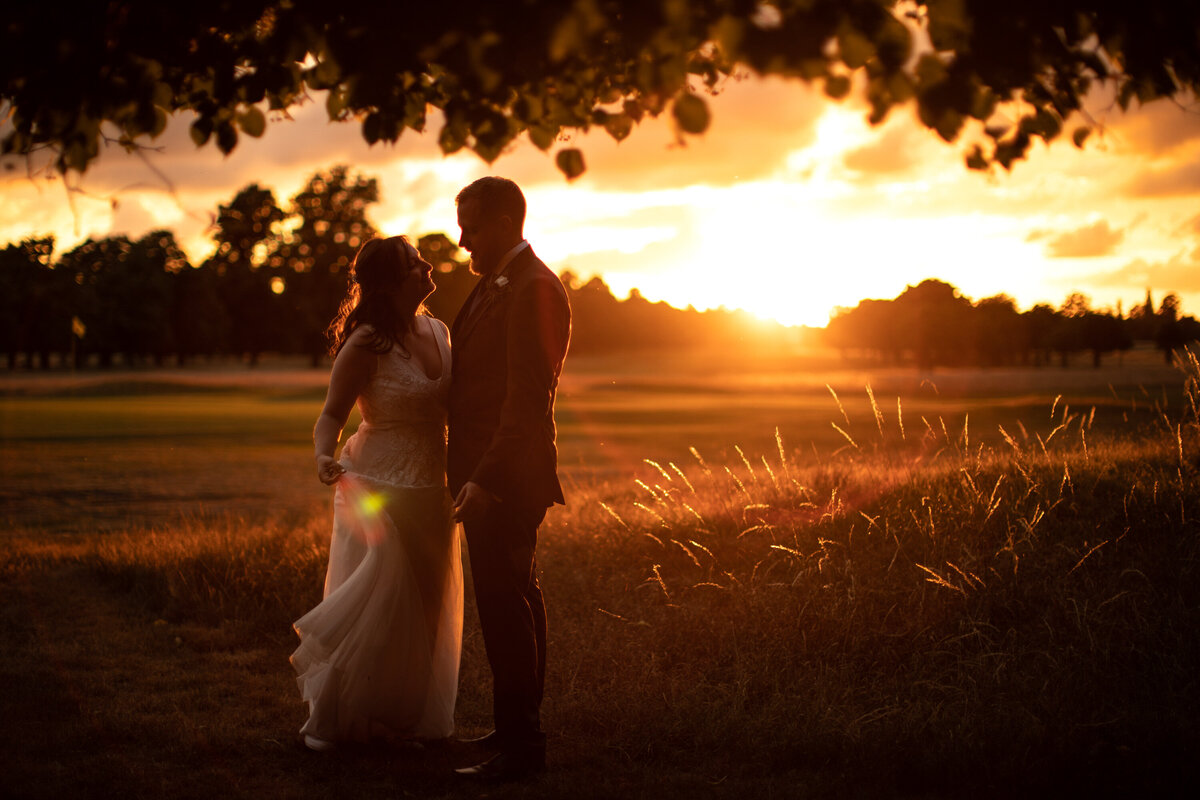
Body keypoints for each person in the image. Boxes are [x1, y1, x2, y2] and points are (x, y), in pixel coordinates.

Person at [291, 235, 463, 752]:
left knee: (428, 608)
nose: (427, 265)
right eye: (415, 263)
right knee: (380, 605)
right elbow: (331, 416)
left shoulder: (439, 330)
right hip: (378, 489)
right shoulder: (366, 341)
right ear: (390, 282)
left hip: (435, 487)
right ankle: (349, 717)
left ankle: (403, 719)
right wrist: (324, 456)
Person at [448, 177, 571, 780]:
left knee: (505, 611)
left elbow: (527, 400)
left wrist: (487, 479)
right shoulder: (498, 285)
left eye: (469, 225)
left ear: (502, 223)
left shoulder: (535, 289)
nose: (461, 237)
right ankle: (518, 731)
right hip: (491, 476)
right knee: (517, 604)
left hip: (507, 481)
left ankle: (522, 752)